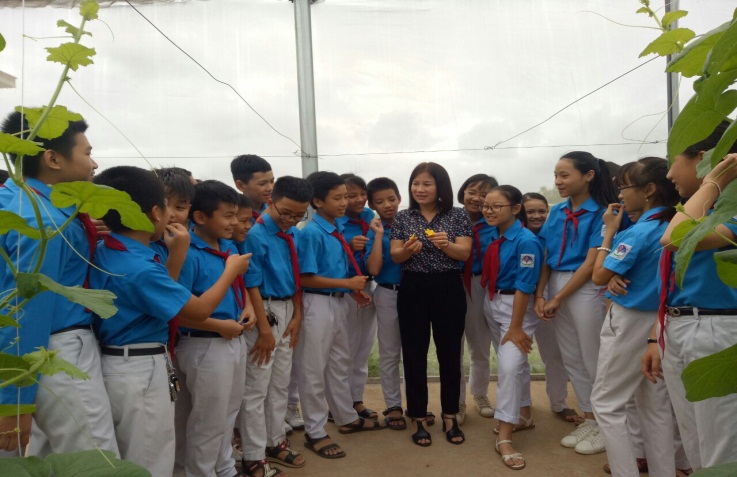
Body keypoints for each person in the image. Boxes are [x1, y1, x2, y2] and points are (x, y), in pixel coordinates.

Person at [91, 166, 252, 477]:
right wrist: (230, 271)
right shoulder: (140, 266)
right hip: (139, 365)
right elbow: (197, 311)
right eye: (171, 206)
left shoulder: (111, 249)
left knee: (152, 446)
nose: (177, 216)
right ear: (156, 211)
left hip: (131, 360)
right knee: (150, 456)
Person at [0, 111, 118, 457]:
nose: (94, 163)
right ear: (52, 159)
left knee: (51, 457)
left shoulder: (17, 202)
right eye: (87, 152)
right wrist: (15, 400)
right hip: (52, 350)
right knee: (94, 456)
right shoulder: (42, 222)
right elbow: (26, 309)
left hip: (41, 350)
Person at [644, 123, 737, 470]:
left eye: (673, 161)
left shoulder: (730, 208)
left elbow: (675, 238)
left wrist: (713, 182)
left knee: (721, 447)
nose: (668, 174)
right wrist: (656, 335)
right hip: (681, 324)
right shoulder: (704, 209)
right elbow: (672, 279)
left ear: (703, 158)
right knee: (695, 443)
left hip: (719, 328)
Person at [590, 157, 680, 477]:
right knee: (654, 405)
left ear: (649, 190)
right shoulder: (675, 225)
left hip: (630, 320)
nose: (620, 195)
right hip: (660, 322)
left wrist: (609, 233)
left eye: (624, 187)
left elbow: (599, 276)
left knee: (606, 403)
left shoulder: (638, 232)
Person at [296, 171, 383, 460]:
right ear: (318, 201)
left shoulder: (333, 230)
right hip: (316, 304)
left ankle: (345, 417)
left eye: (346, 196)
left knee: (339, 363)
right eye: (338, 198)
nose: (345, 202)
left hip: (337, 302)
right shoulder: (311, 233)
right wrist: (347, 284)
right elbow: (305, 278)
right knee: (313, 370)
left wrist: (351, 289)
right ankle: (315, 431)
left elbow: (335, 271)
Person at [534, 151, 617, 454]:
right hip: (555, 281)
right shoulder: (557, 212)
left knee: (594, 357)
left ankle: (608, 427)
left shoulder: (604, 213)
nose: (558, 181)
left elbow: (591, 262)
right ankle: (590, 419)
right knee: (571, 357)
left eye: (564, 175)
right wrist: (541, 294)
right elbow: (545, 256)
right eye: (556, 175)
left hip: (586, 286)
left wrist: (557, 297)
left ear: (589, 175)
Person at [175, 180, 256, 477]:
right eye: (228, 216)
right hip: (204, 343)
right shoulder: (187, 253)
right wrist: (218, 326)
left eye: (236, 215)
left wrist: (248, 305)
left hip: (231, 338)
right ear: (200, 217)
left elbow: (238, 283)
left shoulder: (228, 247)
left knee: (228, 411)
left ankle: (225, 468)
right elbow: (177, 310)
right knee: (207, 421)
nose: (234, 222)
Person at [390, 162, 472, 447]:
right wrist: (407, 250)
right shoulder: (404, 217)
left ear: (440, 187)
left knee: (450, 354)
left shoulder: (458, 215)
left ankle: (450, 415)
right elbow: (396, 256)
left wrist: (445, 245)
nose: (420, 189)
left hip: (448, 285)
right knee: (414, 354)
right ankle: (418, 417)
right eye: (416, 183)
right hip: (413, 286)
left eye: (427, 184)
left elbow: (464, 253)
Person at [239, 176, 312, 477]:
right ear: (271, 201)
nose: (291, 219)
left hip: (287, 307)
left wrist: (297, 315)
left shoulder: (292, 232)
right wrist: (265, 331)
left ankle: (275, 441)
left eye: (299, 214)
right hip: (264, 310)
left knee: (280, 382)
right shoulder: (256, 234)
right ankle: (253, 455)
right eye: (286, 212)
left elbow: (295, 276)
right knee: (257, 386)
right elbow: (251, 283)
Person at [481, 185, 543, 470]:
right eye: (487, 206)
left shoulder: (526, 241)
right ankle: (524, 413)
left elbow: (525, 285)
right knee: (516, 365)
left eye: (496, 206)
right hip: (493, 301)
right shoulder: (495, 235)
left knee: (508, 367)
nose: (489, 211)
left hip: (515, 308)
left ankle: (504, 435)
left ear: (516, 209)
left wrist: (516, 326)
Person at [521, 192, 580, 424]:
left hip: (548, 296)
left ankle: (559, 402)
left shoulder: (556, 233)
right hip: (518, 298)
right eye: (530, 211)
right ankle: (522, 404)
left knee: (554, 353)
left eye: (542, 211)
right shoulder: (514, 235)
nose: (537, 216)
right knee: (517, 355)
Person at [457, 174, 498, 423]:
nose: (476, 198)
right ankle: (457, 400)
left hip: (480, 283)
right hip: (451, 282)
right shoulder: (450, 219)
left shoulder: (495, 222)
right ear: (463, 193)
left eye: (484, 194)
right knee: (453, 346)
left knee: (480, 345)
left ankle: (480, 394)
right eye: (472, 191)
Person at [364, 177, 405, 430]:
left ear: (399, 198)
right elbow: (374, 269)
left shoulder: (412, 222)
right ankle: (393, 405)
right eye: (379, 201)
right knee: (389, 352)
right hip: (388, 293)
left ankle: (418, 404)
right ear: (371, 205)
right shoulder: (373, 230)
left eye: (391, 199)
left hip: (416, 293)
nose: (387, 205)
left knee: (414, 352)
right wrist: (379, 236)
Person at [338, 173, 379, 421]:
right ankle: (338, 404)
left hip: (368, 286)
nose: (359, 199)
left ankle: (356, 399)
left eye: (362, 194)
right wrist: (348, 247)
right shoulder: (336, 223)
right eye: (351, 195)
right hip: (346, 290)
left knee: (363, 348)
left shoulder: (369, 217)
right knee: (346, 350)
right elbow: (327, 262)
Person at [231, 154, 274, 221]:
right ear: (240, 185)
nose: (270, 188)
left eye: (272, 181)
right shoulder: (233, 216)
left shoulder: (276, 211)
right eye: (262, 184)